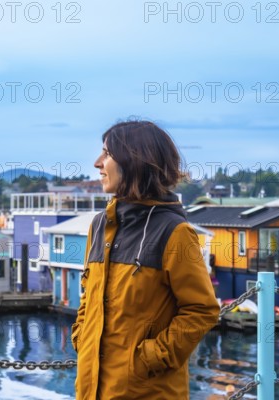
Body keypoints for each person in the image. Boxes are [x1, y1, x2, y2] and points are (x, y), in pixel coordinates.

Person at [71, 120, 220, 399]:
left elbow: (202, 310)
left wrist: (151, 358)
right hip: (91, 389)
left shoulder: (174, 232)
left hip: (146, 391)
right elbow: (88, 295)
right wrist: (81, 336)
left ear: (135, 161)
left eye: (107, 154)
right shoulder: (100, 224)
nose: (97, 163)